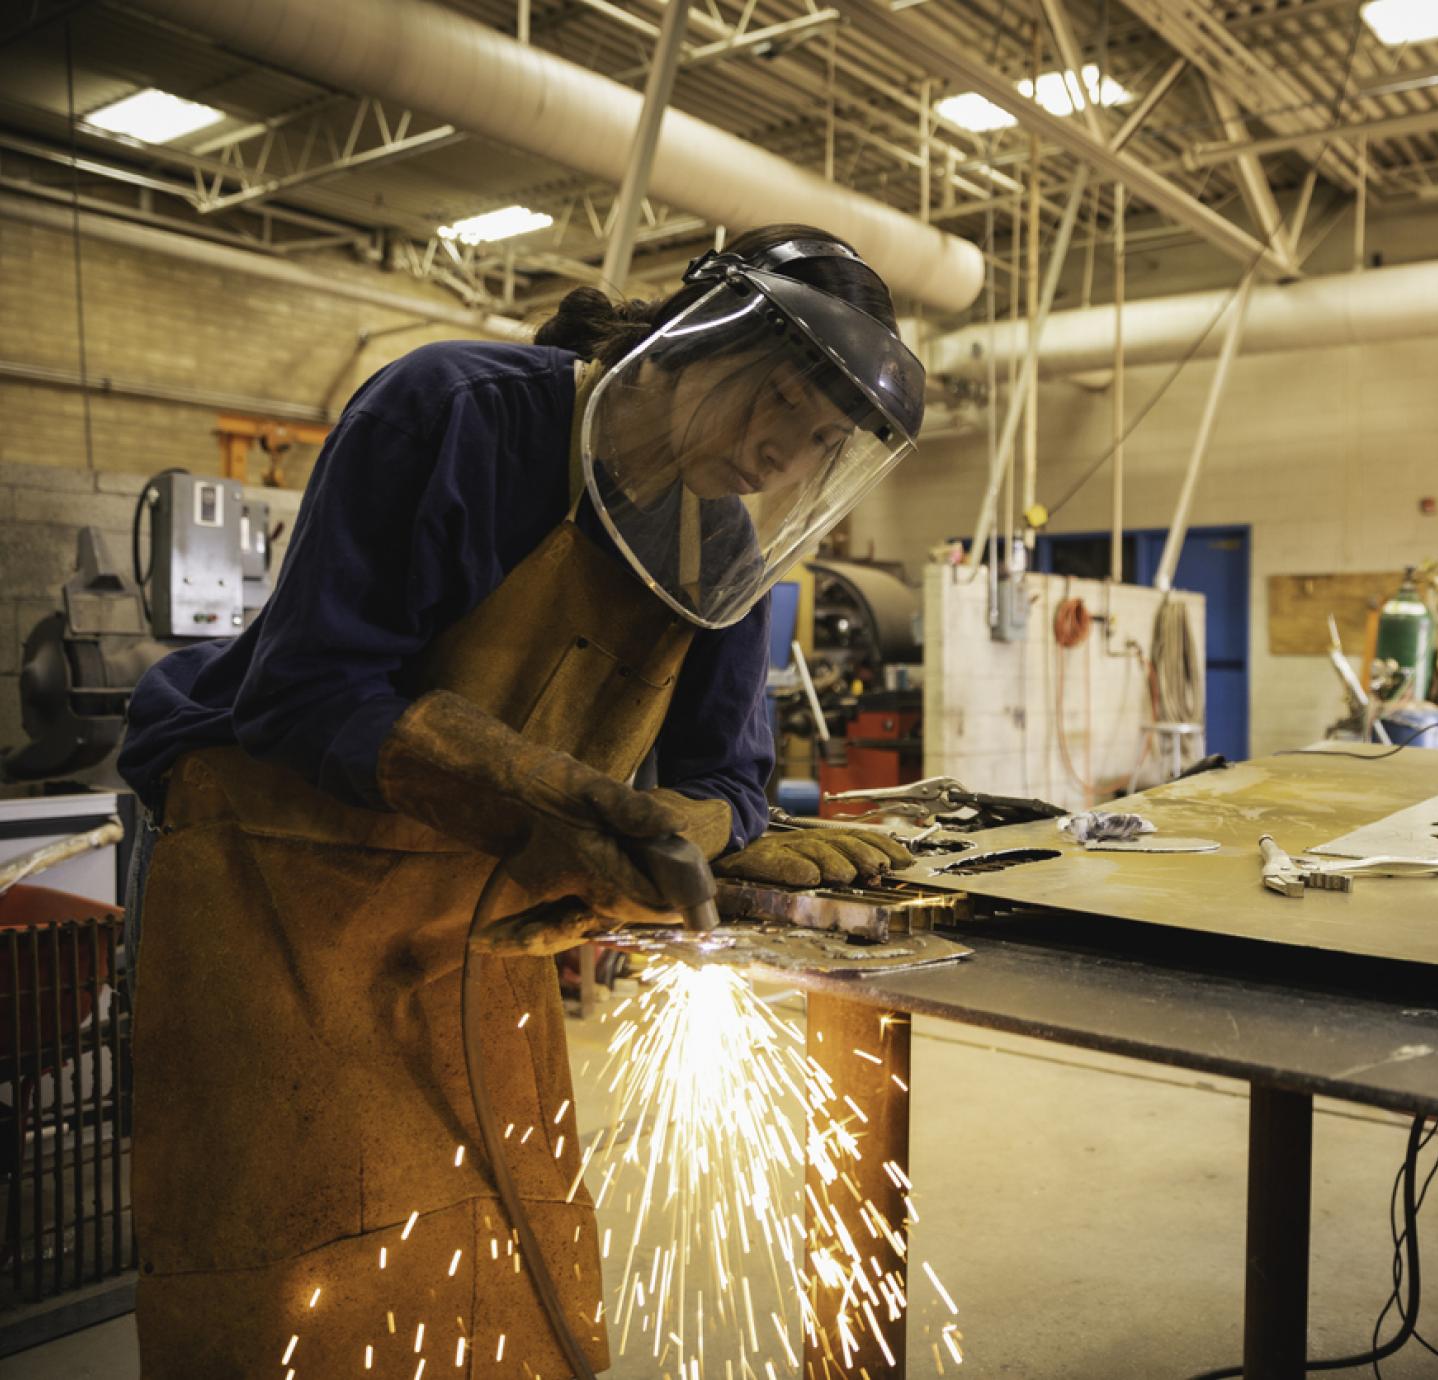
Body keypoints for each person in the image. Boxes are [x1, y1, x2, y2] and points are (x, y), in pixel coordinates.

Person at [116, 225, 924, 1376]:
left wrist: (702, 832)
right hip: (274, 872)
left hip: (477, 907)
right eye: (781, 404)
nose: (783, 453)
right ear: (701, 342)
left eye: (821, 440)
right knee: (285, 1266)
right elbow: (303, 691)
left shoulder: (719, 545)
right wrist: (512, 773)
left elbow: (725, 777)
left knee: (501, 1234)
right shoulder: (452, 413)